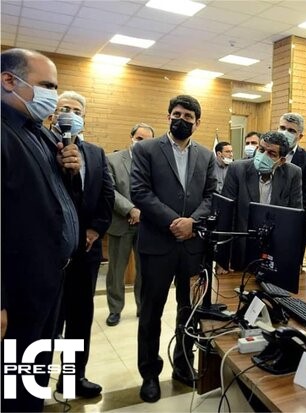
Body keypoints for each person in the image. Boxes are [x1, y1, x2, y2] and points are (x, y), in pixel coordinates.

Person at [1, 48, 82, 412]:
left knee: (33, 372)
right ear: (8, 80)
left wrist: (70, 171)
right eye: (47, 86)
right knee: (12, 383)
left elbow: (59, 198)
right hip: (16, 286)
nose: (54, 96)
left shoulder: (42, 134)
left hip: (49, 277)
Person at [131, 94, 217, 403]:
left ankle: (183, 364)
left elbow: (212, 195)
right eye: (176, 114)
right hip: (157, 244)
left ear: (197, 122)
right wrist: (174, 222)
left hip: (192, 247)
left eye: (188, 116)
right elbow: (139, 191)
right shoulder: (146, 149)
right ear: (169, 116)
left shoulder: (206, 156)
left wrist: (192, 222)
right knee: (150, 312)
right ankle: (149, 373)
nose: (181, 120)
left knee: (188, 310)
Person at [50, 91, 114, 398]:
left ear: (84, 117)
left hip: (86, 251)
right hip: (49, 253)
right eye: (65, 108)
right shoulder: (40, 145)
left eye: (77, 110)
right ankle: (29, 386)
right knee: (47, 321)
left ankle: (73, 378)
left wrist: (94, 230)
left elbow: (107, 195)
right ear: (54, 113)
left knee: (79, 318)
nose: (70, 114)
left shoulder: (96, 153)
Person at [221, 131, 302, 270]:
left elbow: (295, 219)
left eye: (271, 154)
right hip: (241, 247)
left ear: (281, 161)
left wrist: (293, 260)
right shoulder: (237, 169)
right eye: (262, 150)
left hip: (274, 249)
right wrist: (222, 259)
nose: (264, 156)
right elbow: (226, 215)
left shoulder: (293, 173)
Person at [105, 123, 155, 327]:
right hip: (120, 222)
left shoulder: (154, 163)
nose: (142, 143)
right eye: (139, 139)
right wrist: (130, 209)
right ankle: (115, 310)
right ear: (132, 137)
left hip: (146, 225)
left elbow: (157, 192)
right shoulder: (112, 159)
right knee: (116, 271)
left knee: (145, 271)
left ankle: (142, 307)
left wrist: (142, 212)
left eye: (147, 141)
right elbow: (109, 190)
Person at [278, 113, 306, 255]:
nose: (285, 133)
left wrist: (287, 217)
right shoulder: (266, 154)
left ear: (300, 136)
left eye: (291, 130)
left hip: (293, 226)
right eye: (282, 128)